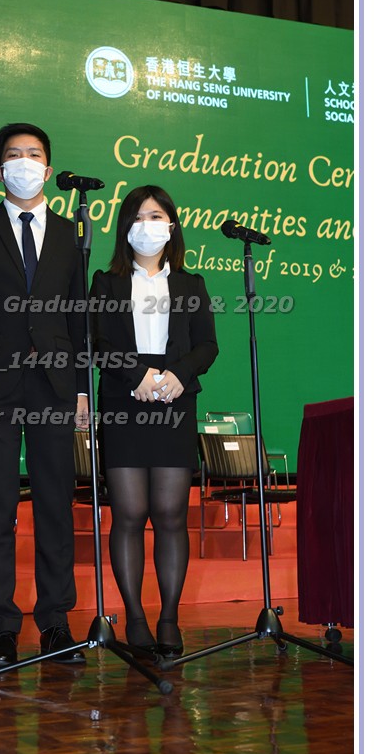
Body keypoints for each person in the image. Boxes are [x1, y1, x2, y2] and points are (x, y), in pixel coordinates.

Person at [0, 123, 89, 668]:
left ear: (48, 169)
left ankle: (55, 623)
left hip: (55, 384)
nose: (25, 162)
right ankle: (3, 627)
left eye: (34, 154)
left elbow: (78, 316)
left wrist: (82, 388)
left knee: (55, 503)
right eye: (14, 155)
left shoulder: (72, 234)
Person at [90, 185, 218, 657]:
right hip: (125, 399)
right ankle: (135, 618)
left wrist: (177, 375)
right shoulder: (105, 282)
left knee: (169, 514)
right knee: (129, 513)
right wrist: (137, 375)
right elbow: (97, 342)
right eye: (139, 217)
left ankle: (168, 618)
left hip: (174, 399)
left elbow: (207, 345)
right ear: (126, 227)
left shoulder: (191, 284)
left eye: (157, 216)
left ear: (172, 225)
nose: (148, 225)